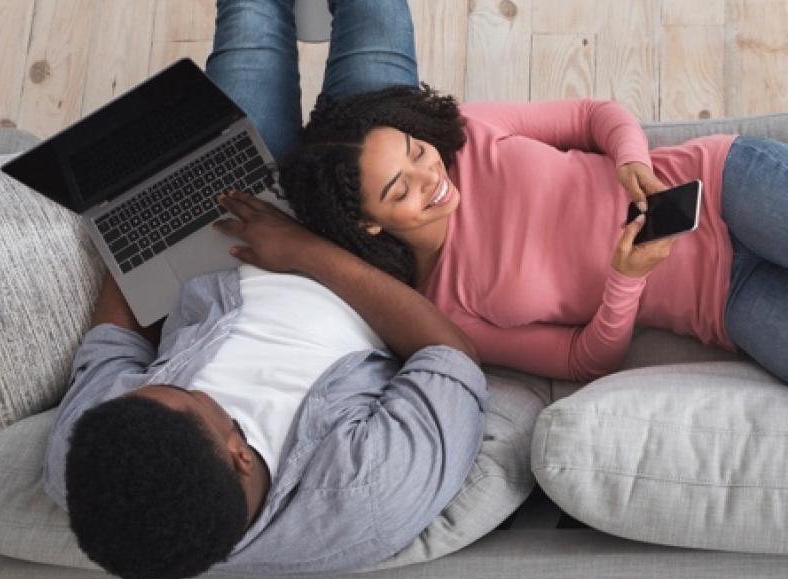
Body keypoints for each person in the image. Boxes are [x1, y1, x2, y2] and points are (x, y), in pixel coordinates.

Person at [43, 0, 486, 579]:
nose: (151, 380)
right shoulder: (365, 494)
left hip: (224, 235)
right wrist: (304, 251)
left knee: (249, 10)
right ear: (238, 453)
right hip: (362, 243)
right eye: (181, 389)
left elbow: (113, 345)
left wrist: (141, 204)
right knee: (373, 2)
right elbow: (449, 357)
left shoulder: (92, 458)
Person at [281, 88, 788, 384]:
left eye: (416, 152)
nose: (431, 177)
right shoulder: (447, 311)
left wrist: (632, 159)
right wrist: (626, 281)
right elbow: (583, 361)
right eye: (399, 190)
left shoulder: (472, 130)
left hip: (728, 185)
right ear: (368, 224)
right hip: (721, 303)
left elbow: (594, 115)